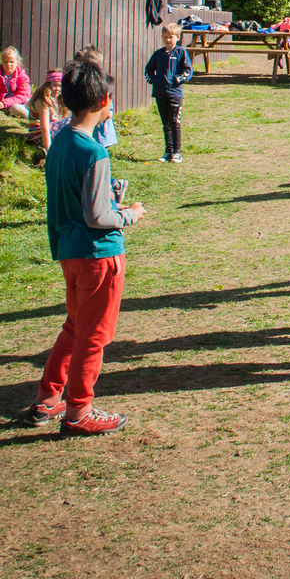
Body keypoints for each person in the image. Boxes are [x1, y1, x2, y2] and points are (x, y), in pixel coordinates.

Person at [18, 58, 146, 435]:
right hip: (99, 256)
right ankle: (78, 412)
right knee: (93, 337)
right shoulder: (95, 152)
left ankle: (47, 398)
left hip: (69, 252)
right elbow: (97, 216)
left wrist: (108, 200)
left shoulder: (60, 141)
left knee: (74, 327)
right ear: (104, 101)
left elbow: (77, 200)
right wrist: (130, 214)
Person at [144, 24, 193, 163]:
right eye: (165, 37)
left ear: (177, 37)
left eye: (171, 37)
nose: (168, 40)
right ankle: (168, 151)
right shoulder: (158, 54)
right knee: (165, 124)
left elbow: (188, 71)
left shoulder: (181, 52)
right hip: (160, 93)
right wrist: (154, 80)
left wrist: (179, 79)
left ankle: (177, 152)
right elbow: (148, 69)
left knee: (174, 122)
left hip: (175, 94)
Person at [28, 70, 66, 160]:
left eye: (60, 86)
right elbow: (44, 129)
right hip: (38, 135)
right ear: (48, 85)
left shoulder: (53, 99)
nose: (57, 89)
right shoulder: (43, 103)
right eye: (54, 85)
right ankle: (46, 150)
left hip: (47, 132)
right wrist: (50, 152)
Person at [1, 46, 32, 119]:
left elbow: (24, 95)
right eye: (5, 62)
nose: (8, 64)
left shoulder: (22, 77)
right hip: (8, 105)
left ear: (17, 62)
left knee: (32, 103)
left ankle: (47, 118)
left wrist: (4, 103)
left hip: (17, 100)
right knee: (16, 108)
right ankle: (34, 120)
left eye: (11, 62)